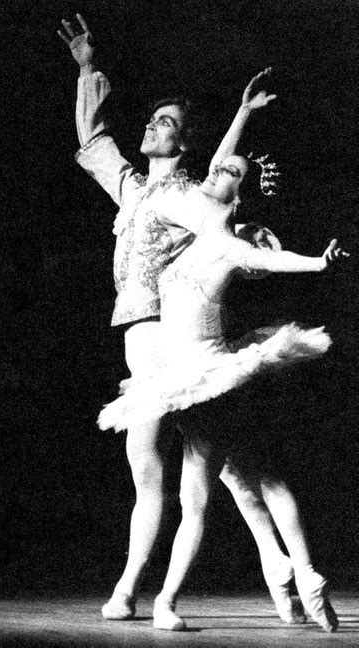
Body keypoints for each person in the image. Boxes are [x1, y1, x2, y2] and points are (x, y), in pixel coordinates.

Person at [57, 12, 306, 625]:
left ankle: (147, 589)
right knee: (192, 468)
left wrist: (242, 122)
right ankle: (268, 562)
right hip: (138, 337)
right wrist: (89, 69)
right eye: (153, 118)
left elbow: (221, 212)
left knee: (206, 468)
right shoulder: (136, 188)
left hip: (169, 339)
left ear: (185, 142)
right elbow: (94, 144)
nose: (152, 125)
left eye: (165, 123)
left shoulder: (183, 197)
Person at [99, 153, 348, 632]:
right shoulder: (188, 238)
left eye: (230, 174)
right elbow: (212, 170)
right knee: (245, 476)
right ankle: (284, 568)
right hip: (175, 375)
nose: (215, 174)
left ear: (241, 196)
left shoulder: (232, 246)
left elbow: (276, 259)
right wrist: (242, 114)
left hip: (210, 377)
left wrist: (319, 262)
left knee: (204, 496)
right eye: (215, 170)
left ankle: (169, 601)